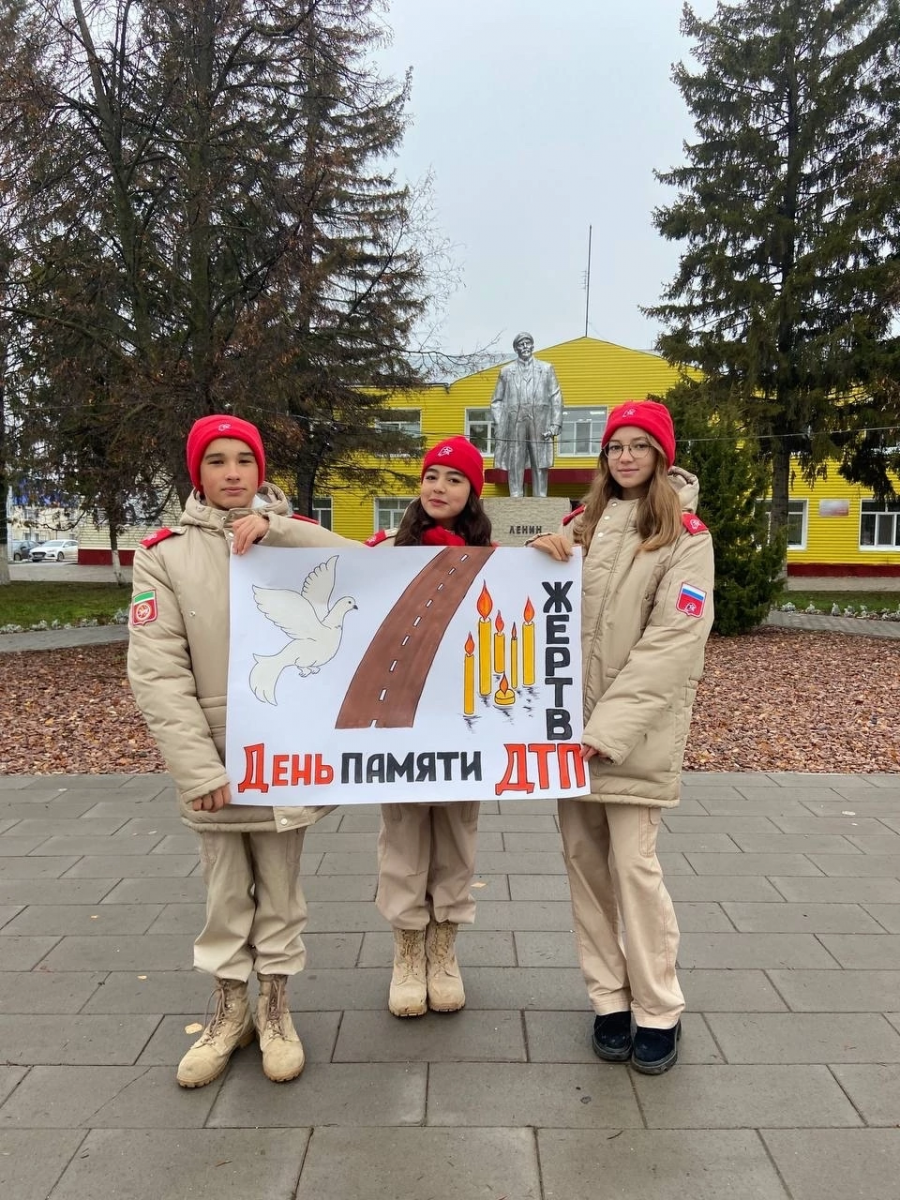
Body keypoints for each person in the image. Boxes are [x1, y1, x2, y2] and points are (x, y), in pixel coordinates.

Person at [127, 413, 352, 1089]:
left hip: (286, 750)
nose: (232, 473)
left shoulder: (292, 538)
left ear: (261, 469)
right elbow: (158, 671)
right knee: (225, 894)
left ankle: (275, 1008)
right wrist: (197, 768)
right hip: (218, 757)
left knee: (281, 890)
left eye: (244, 460)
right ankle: (230, 1012)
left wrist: (278, 529)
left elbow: (370, 568)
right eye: (217, 460)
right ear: (197, 472)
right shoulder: (164, 555)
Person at [529, 401, 714, 1074]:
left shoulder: (685, 537)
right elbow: (533, 617)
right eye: (616, 446)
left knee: (634, 871)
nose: (626, 456)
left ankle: (658, 1008)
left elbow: (673, 642)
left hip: (630, 739)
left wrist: (605, 731)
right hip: (566, 738)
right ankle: (608, 998)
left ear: (661, 456)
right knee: (585, 869)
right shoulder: (579, 525)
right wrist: (536, 557)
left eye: (640, 445)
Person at [364, 436, 493, 1017]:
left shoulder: (495, 561)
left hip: (464, 727)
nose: (439, 487)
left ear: (472, 492)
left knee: (457, 838)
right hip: (401, 724)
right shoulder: (387, 553)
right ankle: (407, 952)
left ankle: (444, 951)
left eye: (454, 478)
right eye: (432, 476)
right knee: (404, 838)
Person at [490, 331, 563, 497]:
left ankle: (541, 496)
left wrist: (555, 423)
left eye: (527, 343)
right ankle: (515, 495)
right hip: (515, 420)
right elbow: (496, 401)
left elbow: (556, 396)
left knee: (539, 459)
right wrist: (501, 425)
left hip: (540, 420)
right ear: (515, 348)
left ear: (532, 345)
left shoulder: (546, 369)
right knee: (516, 457)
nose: (525, 347)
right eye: (520, 344)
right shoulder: (506, 371)